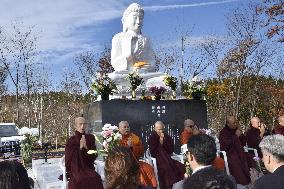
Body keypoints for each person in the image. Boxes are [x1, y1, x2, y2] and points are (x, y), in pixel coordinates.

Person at [111, 3, 156, 73]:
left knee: (162, 78)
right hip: (125, 73)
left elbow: (152, 60)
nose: (138, 21)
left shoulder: (146, 39)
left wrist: (147, 66)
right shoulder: (118, 38)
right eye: (135, 17)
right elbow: (114, 63)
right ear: (126, 19)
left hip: (144, 73)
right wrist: (128, 56)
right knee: (114, 77)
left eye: (141, 18)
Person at [65, 117, 103, 189]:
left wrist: (86, 148)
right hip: (76, 168)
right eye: (80, 124)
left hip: (88, 167)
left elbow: (94, 154)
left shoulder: (90, 138)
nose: (82, 126)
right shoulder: (71, 140)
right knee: (81, 179)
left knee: (96, 178)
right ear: (75, 126)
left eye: (84, 124)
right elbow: (68, 159)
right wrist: (79, 148)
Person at [118, 121, 157, 188]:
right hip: (121, 162)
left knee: (148, 167)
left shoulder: (134, 138)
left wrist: (132, 146)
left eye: (128, 127)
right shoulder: (116, 138)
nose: (127, 129)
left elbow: (141, 151)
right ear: (119, 129)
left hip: (134, 160)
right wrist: (127, 147)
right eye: (124, 127)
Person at [148, 121, 185, 189]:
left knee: (180, 166)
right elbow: (153, 152)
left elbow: (170, 150)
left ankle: (173, 183)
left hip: (168, 159)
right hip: (158, 158)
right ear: (155, 129)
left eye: (162, 129)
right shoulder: (152, 137)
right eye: (159, 129)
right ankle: (168, 184)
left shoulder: (167, 137)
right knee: (165, 167)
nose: (161, 131)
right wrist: (160, 142)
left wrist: (163, 142)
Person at [219, 116, 251, 186]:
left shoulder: (237, 130)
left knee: (249, 158)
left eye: (236, 122)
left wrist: (240, 135)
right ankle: (240, 183)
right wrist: (236, 136)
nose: (236, 124)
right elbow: (227, 145)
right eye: (233, 123)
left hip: (240, 153)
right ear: (228, 124)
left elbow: (244, 142)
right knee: (236, 162)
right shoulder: (223, 132)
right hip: (230, 155)